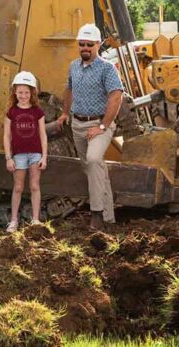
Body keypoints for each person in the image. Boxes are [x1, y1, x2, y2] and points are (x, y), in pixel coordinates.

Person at [55, 24, 124, 230]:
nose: (85, 48)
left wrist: (103, 126)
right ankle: (109, 217)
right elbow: (69, 89)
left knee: (94, 160)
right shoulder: (74, 66)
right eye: (82, 44)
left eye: (89, 44)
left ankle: (96, 214)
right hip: (78, 124)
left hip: (99, 124)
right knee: (93, 168)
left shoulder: (107, 68)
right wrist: (66, 113)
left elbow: (116, 96)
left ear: (98, 44)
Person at [3, 70, 47, 232]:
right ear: (15, 92)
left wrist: (44, 156)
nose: (23, 95)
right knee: (18, 187)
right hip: (18, 155)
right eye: (20, 92)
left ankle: (35, 219)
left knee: (35, 185)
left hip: (35, 154)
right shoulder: (11, 112)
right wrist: (9, 157)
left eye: (26, 92)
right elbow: (7, 136)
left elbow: (43, 135)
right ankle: (14, 220)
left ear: (32, 93)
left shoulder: (37, 112)